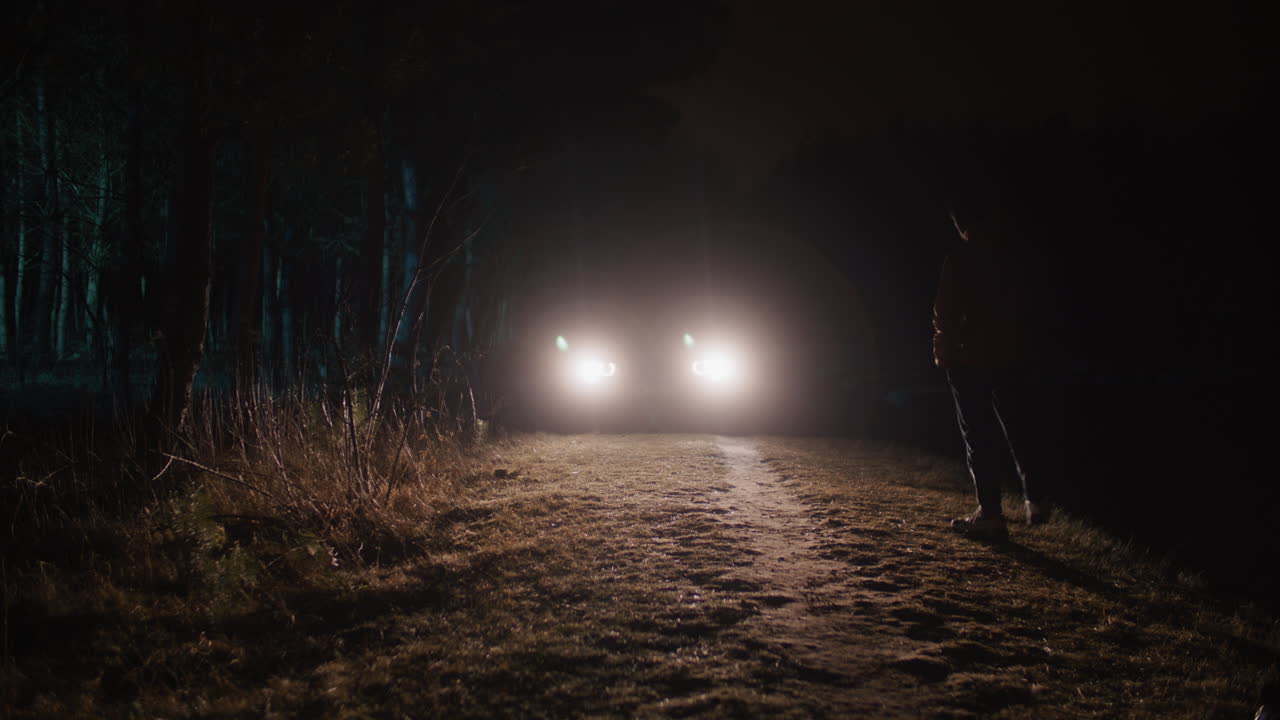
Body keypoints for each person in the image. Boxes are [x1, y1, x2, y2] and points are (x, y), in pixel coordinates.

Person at [933, 206, 1050, 539]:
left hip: (970, 358)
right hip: (1014, 356)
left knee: (979, 434)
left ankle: (991, 513)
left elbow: (945, 312)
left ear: (962, 225)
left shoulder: (961, 260)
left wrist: (946, 353)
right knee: (1020, 427)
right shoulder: (1018, 259)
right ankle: (1036, 500)